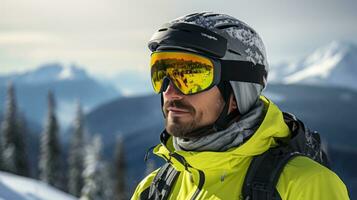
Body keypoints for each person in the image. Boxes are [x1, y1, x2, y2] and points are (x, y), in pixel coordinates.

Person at [131, 12, 349, 200]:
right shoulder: (155, 189)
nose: (169, 91)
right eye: (162, 73)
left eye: (192, 75)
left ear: (237, 93)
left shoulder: (303, 186)